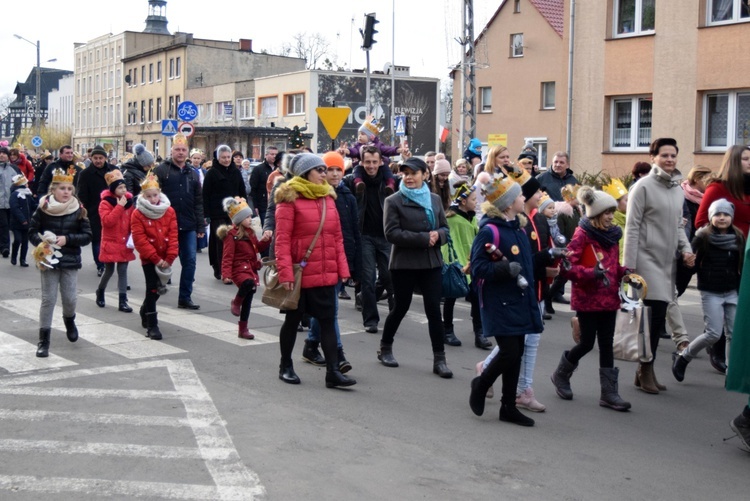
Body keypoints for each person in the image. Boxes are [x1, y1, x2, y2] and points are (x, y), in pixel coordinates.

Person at [273, 153, 355, 388]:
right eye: (319, 170)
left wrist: (343, 268)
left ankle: (332, 373)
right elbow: (282, 240)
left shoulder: (328, 197)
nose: (324, 173)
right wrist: (286, 272)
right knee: (293, 320)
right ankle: (285, 366)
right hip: (300, 274)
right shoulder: (289, 197)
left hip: (325, 272)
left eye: (324, 169)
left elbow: (337, 237)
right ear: (305, 173)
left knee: (328, 321)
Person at [623, 137, 695, 394]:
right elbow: (631, 227)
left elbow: (678, 225)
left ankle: (644, 369)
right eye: (664, 155)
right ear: (653, 157)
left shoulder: (676, 189)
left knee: (658, 316)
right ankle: (645, 368)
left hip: (667, 263)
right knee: (649, 319)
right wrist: (628, 266)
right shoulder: (642, 187)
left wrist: (686, 250)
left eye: (673, 155)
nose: (670, 159)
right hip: (645, 260)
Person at [551, 186, 632, 411]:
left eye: (612, 212)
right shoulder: (582, 234)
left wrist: (625, 271)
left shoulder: (613, 235)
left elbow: (612, 266)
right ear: (595, 214)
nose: (610, 216)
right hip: (588, 299)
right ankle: (561, 374)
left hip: (608, 298)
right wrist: (591, 274)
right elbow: (567, 267)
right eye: (607, 212)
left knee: (607, 344)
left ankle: (609, 393)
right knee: (587, 343)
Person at [468, 175, 539, 427]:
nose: (524, 198)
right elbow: (477, 268)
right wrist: (504, 271)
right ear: (508, 203)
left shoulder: (518, 227)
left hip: (519, 299)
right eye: (520, 195)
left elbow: (527, 264)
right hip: (500, 302)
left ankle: (508, 407)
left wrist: (550, 257)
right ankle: (482, 383)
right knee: (509, 351)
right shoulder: (490, 230)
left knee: (516, 353)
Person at [375, 157, 452, 378]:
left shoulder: (435, 199)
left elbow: (445, 229)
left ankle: (440, 359)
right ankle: (385, 347)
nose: (408, 177)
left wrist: (439, 235)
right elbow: (391, 233)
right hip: (404, 263)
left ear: (425, 175)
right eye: (405, 173)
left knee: (433, 310)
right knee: (401, 307)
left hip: (431, 263)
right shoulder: (394, 201)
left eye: (413, 173)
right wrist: (422, 238)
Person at [672, 198, 744, 382]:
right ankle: (684, 357)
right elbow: (691, 264)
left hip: (732, 291)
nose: (722, 218)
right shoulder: (703, 237)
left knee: (733, 334)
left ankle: (731, 372)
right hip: (711, 291)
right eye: (718, 214)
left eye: (726, 214)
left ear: (731, 217)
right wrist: (687, 263)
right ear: (711, 217)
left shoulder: (738, 237)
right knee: (713, 333)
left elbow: (741, 265)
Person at [302, 151, 359, 372]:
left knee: (326, 309)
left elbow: (354, 232)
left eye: (338, 170)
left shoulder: (348, 197)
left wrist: (353, 264)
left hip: (341, 260)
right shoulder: (316, 195)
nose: (334, 174)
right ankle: (338, 354)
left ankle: (310, 344)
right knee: (330, 309)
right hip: (321, 261)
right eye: (329, 169)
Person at [695, 146, 750, 373]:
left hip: (747, 255)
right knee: (725, 307)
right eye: (746, 159)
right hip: (726, 257)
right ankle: (716, 350)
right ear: (734, 162)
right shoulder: (718, 188)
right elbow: (700, 222)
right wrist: (723, 241)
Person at [28, 166, 92, 357]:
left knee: (70, 298)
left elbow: (87, 235)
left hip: (70, 259)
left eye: (69, 189)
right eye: (62, 188)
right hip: (48, 260)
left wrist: (68, 239)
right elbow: (32, 231)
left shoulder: (78, 209)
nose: (66, 192)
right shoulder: (43, 208)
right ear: (53, 190)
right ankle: (43, 340)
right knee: (48, 299)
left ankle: (69, 319)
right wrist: (41, 243)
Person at [153, 133, 205, 310]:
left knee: (190, 261)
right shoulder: (161, 171)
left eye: (184, 150)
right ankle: (154, 293)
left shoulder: (193, 173)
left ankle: (185, 297)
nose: (181, 153)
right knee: (162, 260)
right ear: (172, 151)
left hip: (189, 224)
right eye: (177, 149)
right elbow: (151, 197)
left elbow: (198, 201)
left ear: (188, 152)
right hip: (166, 225)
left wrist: (200, 225)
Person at [441, 181, 491, 349]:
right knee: (451, 298)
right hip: (458, 265)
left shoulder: (472, 218)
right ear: (463, 201)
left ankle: (479, 332)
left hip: (473, 264)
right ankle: (447, 330)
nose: (476, 202)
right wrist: (458, 264)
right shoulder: (453, 219)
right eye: (473, 199)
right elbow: (450, 244)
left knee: (477, 299)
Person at [351, 146, 394, 333]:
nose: (371, 166)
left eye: (374, 162)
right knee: (368, 279)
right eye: (367, 162)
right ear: (362, 162)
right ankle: (371, 320)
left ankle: (394, 317)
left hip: (385, 236)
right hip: (364, 236)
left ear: (380, 162)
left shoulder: (388, 180)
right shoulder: (353, 180)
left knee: (389, 277)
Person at [131, 171, 179, 340]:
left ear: (160, 193)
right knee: (152, 287)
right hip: (149, 258)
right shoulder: (138, 213)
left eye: (155, 195)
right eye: (149, 196)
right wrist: (155, 258)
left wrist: (170, 257)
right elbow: (140, 239)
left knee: (159, 289)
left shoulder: (169, 211)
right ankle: (152, 325)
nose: (153, 199)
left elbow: (173, 235)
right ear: (143, 196)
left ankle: (145, 309)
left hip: (165, 257)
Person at [218, 197, 270, 340]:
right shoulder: (232, 235)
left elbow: (257, 248)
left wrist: (266, 241)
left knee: (249, 297)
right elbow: (227, 256)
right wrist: (226, 274)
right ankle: (236, 302)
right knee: (248, 284)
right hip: (238, 269)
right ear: (239, 219)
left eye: (250, 216)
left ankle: (243, 328)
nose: (250, 219)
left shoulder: (250, 232)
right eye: (247, 217)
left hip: (250, 268)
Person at [203, 144, 247, 283]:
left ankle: (232, 268)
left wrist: (244, 207)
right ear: (218, 158)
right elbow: (205, 195)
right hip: (217, 212)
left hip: (234, 213)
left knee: (235, 240)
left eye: (228, 157)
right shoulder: (212, 173)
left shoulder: (236, 172)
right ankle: (219, 267)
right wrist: (206, 214)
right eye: (223, 157)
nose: (227, 160)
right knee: (220, 241)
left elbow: (242, 191)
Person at [95, 169, 135, 312]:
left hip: (124, 242)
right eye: (120, 187)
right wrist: (119, 206)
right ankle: (100, 290)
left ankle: (122, 301)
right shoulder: (105, 203)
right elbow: (107, 222)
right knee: (109, 271)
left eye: (124, 187)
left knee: (123, 271)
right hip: (111, 241)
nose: (123, 190)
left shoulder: (129, 202)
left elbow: (132, 221)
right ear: (113, 189)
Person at [339, 116, 406, 194]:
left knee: (386, 170)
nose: (360, 136)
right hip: (361, 169)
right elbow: (354, 151)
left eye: (363, 134)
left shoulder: (378, 145)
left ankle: (390, 184)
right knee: (357, 170)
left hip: (381, 169)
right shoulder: (358, 146)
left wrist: (397, 150)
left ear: (370, 136)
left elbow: (387, 149)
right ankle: (358, 183)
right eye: (359, 134)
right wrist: (347, 151)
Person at [76, 145, 115, 277]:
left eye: (101, 158)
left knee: (112, 238)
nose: (98, 160)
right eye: (95, 158)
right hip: (94, 210)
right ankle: (100, 265)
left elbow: (122, 188)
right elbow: (81, 194)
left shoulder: (114, 171)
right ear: (91, 158)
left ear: (105, 158)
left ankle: (111, 261)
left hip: (113, 210)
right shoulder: (85, 174)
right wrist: (83, 210)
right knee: (97, 239)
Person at [9, 174, 36, 266]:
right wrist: (22, 219)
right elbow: (14, 208)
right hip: (17, 223)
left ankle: (23, 259)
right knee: (17, 239)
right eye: (26, 183)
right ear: (23, 184)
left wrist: (41, 206)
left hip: (27, 222)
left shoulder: (27, 194)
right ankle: (14, 255)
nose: (28, 185)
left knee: (25, 242)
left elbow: (33, 205)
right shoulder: (15, 194)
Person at [0, 146, 23, 257]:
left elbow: (21, 183)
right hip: (0, 203)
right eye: (0, 153)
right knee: (3, 225)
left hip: (12, 202)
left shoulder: (14, 169)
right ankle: (5, 247)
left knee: (10, 225)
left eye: (4, 153)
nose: (2, 155)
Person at [249, 146, 278, 225]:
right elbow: (253, 189)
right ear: (266, 155)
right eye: (272, 154)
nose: (274, 156)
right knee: (267, 229)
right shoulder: (258, 169)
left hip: (278, 204)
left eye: (276, 154)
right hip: (264, 205)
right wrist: (255, 206)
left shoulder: (280, 169)